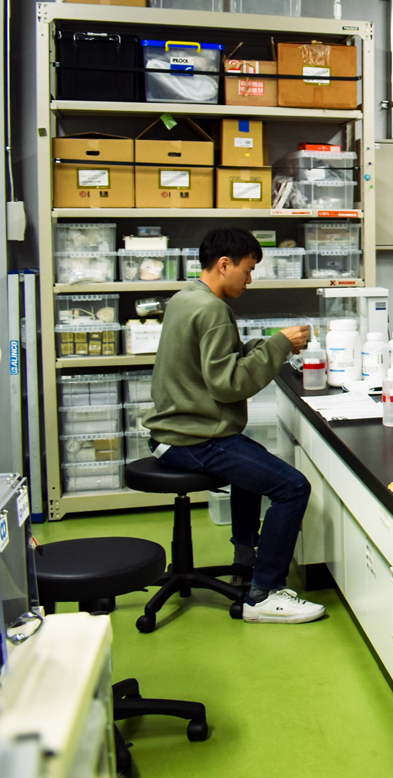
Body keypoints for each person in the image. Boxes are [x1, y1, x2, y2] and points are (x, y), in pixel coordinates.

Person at [145, 228, 325, 624]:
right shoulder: (212, 309)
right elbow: (229, 385)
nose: (250, 279)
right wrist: (278, 345)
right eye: (247, 269)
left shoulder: (186, 297)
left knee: (254, 466)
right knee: (293, 487)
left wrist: (267, 343)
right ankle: (264, 593)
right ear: (224, 264)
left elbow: (216, 359)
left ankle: (246, 563)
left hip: (174, 431)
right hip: (194, 439)